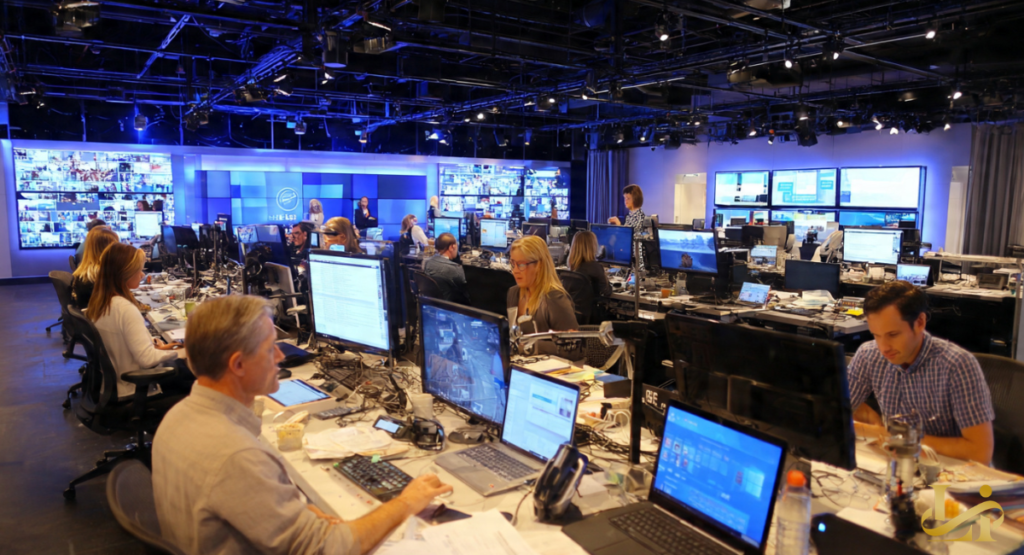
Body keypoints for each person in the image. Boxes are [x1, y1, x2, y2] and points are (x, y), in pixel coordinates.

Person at [152, 295, 452, 555]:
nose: (281, 356)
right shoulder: (236, 456)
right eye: (271, 348)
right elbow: (328, 549)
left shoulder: (179, 416)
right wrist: (406, 502)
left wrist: (302, 515)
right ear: (238, 365)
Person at [847, 281, 994, 464]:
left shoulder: (957, 365)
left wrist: (895, 437)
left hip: (952, 474)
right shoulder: (869, 354)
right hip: (900, 465)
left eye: (893, 335)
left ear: (920, 323)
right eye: (876, 335)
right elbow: (832, 410)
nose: (883, 348)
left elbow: (981, 452)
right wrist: (872, 424)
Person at [87, 243, 194, 400]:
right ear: (124, 273)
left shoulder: (101, 301)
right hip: (133, 388)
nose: (142, 275)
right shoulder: (125, 308)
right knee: (192, 376)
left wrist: (153, 342)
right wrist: (185, 352)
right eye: (139, 270)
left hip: (114, 384)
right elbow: (147, 359)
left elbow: (120, 337)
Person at [506, 236, 578, 355]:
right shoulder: (513, 293)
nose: (515, 270)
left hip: (552, 369)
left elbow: (575, 351)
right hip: (522, 366)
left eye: (521, 265)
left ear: (539, 265)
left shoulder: (554, 298)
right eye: (513, 264)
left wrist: (533, 346)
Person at [71, 226, 120, 309]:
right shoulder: (100, 275)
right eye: (115, 246)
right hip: (97, 318)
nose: (118, 250)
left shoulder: (88, 270)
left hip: (88, 315)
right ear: (105, 249)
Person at [606, 184, 646, 268]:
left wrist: (619, 225)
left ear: (635, 199)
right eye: (625, 198)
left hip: (636, 258)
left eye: (628, 198)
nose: (625, 201)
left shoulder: (640, 217)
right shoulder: (629, 216)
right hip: (626, 255)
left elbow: (628, 237)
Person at [423, 233, 469, 304]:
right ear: (451, 247)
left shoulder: (427, 263)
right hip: (451, 307)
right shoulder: (455, 268)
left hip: (432, 304)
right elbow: (465, 293)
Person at [567, 230, 611, 297]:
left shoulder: (571, 266)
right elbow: (606, 292)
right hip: (591, 307)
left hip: (572, 307)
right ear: (592, 247)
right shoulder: (595, 267)